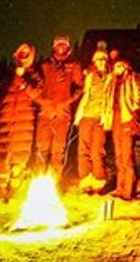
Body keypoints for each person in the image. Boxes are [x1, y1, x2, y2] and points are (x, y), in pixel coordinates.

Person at [0, 42, 42, 202]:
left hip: (24, 122)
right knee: (2, 159)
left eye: (26, 53)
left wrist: (22, 81)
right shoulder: (8, 74)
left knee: (19, 159)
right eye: (21, 52)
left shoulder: (34, 74)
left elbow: (37, 94)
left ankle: (14, 192)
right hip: (6, 121)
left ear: (31, 55)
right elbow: (1, 96)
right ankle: (0, 191)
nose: (23, 55)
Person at [35, 35, 83, 181]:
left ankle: (54, 182)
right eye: (58, 45)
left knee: (58, 151)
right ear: (53, 47)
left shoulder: (74, 66)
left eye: (64, 45)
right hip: (45, 114)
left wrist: (68, 100)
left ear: (68, 48)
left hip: (63, 116)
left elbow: (80, 87)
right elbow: (36, 87)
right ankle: (38, 180)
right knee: (41, 150)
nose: (61, 48)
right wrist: (42, 101)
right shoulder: (45, 66)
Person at [103, 55, 140, 201]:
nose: (118, 69)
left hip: (127, 119)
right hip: (115, 120)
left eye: (121, 66)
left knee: (127, 156)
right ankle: (120, 188)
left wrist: (135, 117)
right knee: (119, 156)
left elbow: (139, 98)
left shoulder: (133, 78)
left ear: (127, 67)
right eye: (116, 66)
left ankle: (129, 190)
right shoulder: (112, 80)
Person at [73, 47, 111, 194]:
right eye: (99, 59)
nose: (101, 61)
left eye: (104, 59)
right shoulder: (90, 77)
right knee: (83, 150)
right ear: (94, 62)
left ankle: (99, 181)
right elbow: (84, 94)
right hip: (86, 117)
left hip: (100, 118)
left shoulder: (111, 77)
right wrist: (79, 115)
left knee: (97, 151)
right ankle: (85, 181)